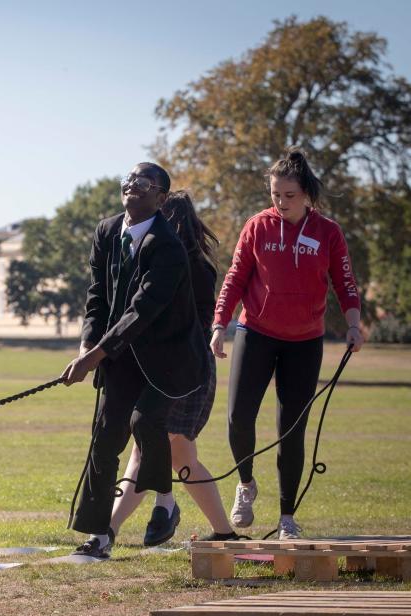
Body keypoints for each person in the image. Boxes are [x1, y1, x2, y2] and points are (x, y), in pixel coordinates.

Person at [212, 148, 363, 540]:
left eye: (289, 195)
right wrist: (219, 325)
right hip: (255, 333)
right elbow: (235, 278)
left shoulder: (328, 232)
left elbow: (345, 284)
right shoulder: (258, 226)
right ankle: (245, 484)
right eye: (275, 194)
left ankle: (286, 518)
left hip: (304, 342)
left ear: (307, 193)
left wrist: (353, 325)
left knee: (291, 430)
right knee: (238, 417)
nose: (280, 203)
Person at [61, 163, 209, 560]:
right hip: (119, 354)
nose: (132, 187)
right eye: (128, 181)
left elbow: (142, 310)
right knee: (106, 436)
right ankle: (98, 536)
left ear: (161, 197)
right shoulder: (107, 231)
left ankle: (165, 500)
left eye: (143, 184)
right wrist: (86, 344)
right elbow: (97, 296)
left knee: (145, 422)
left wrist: (95, 355)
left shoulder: (168, 246)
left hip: (170, 360)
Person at [109, 192, 241, 545]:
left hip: (184, 372)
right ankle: (224, 533)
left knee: (144, 449)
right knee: (184, 460)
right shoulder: (180, 263)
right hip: (176, 371)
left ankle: (107, 531)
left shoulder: (185, 267)